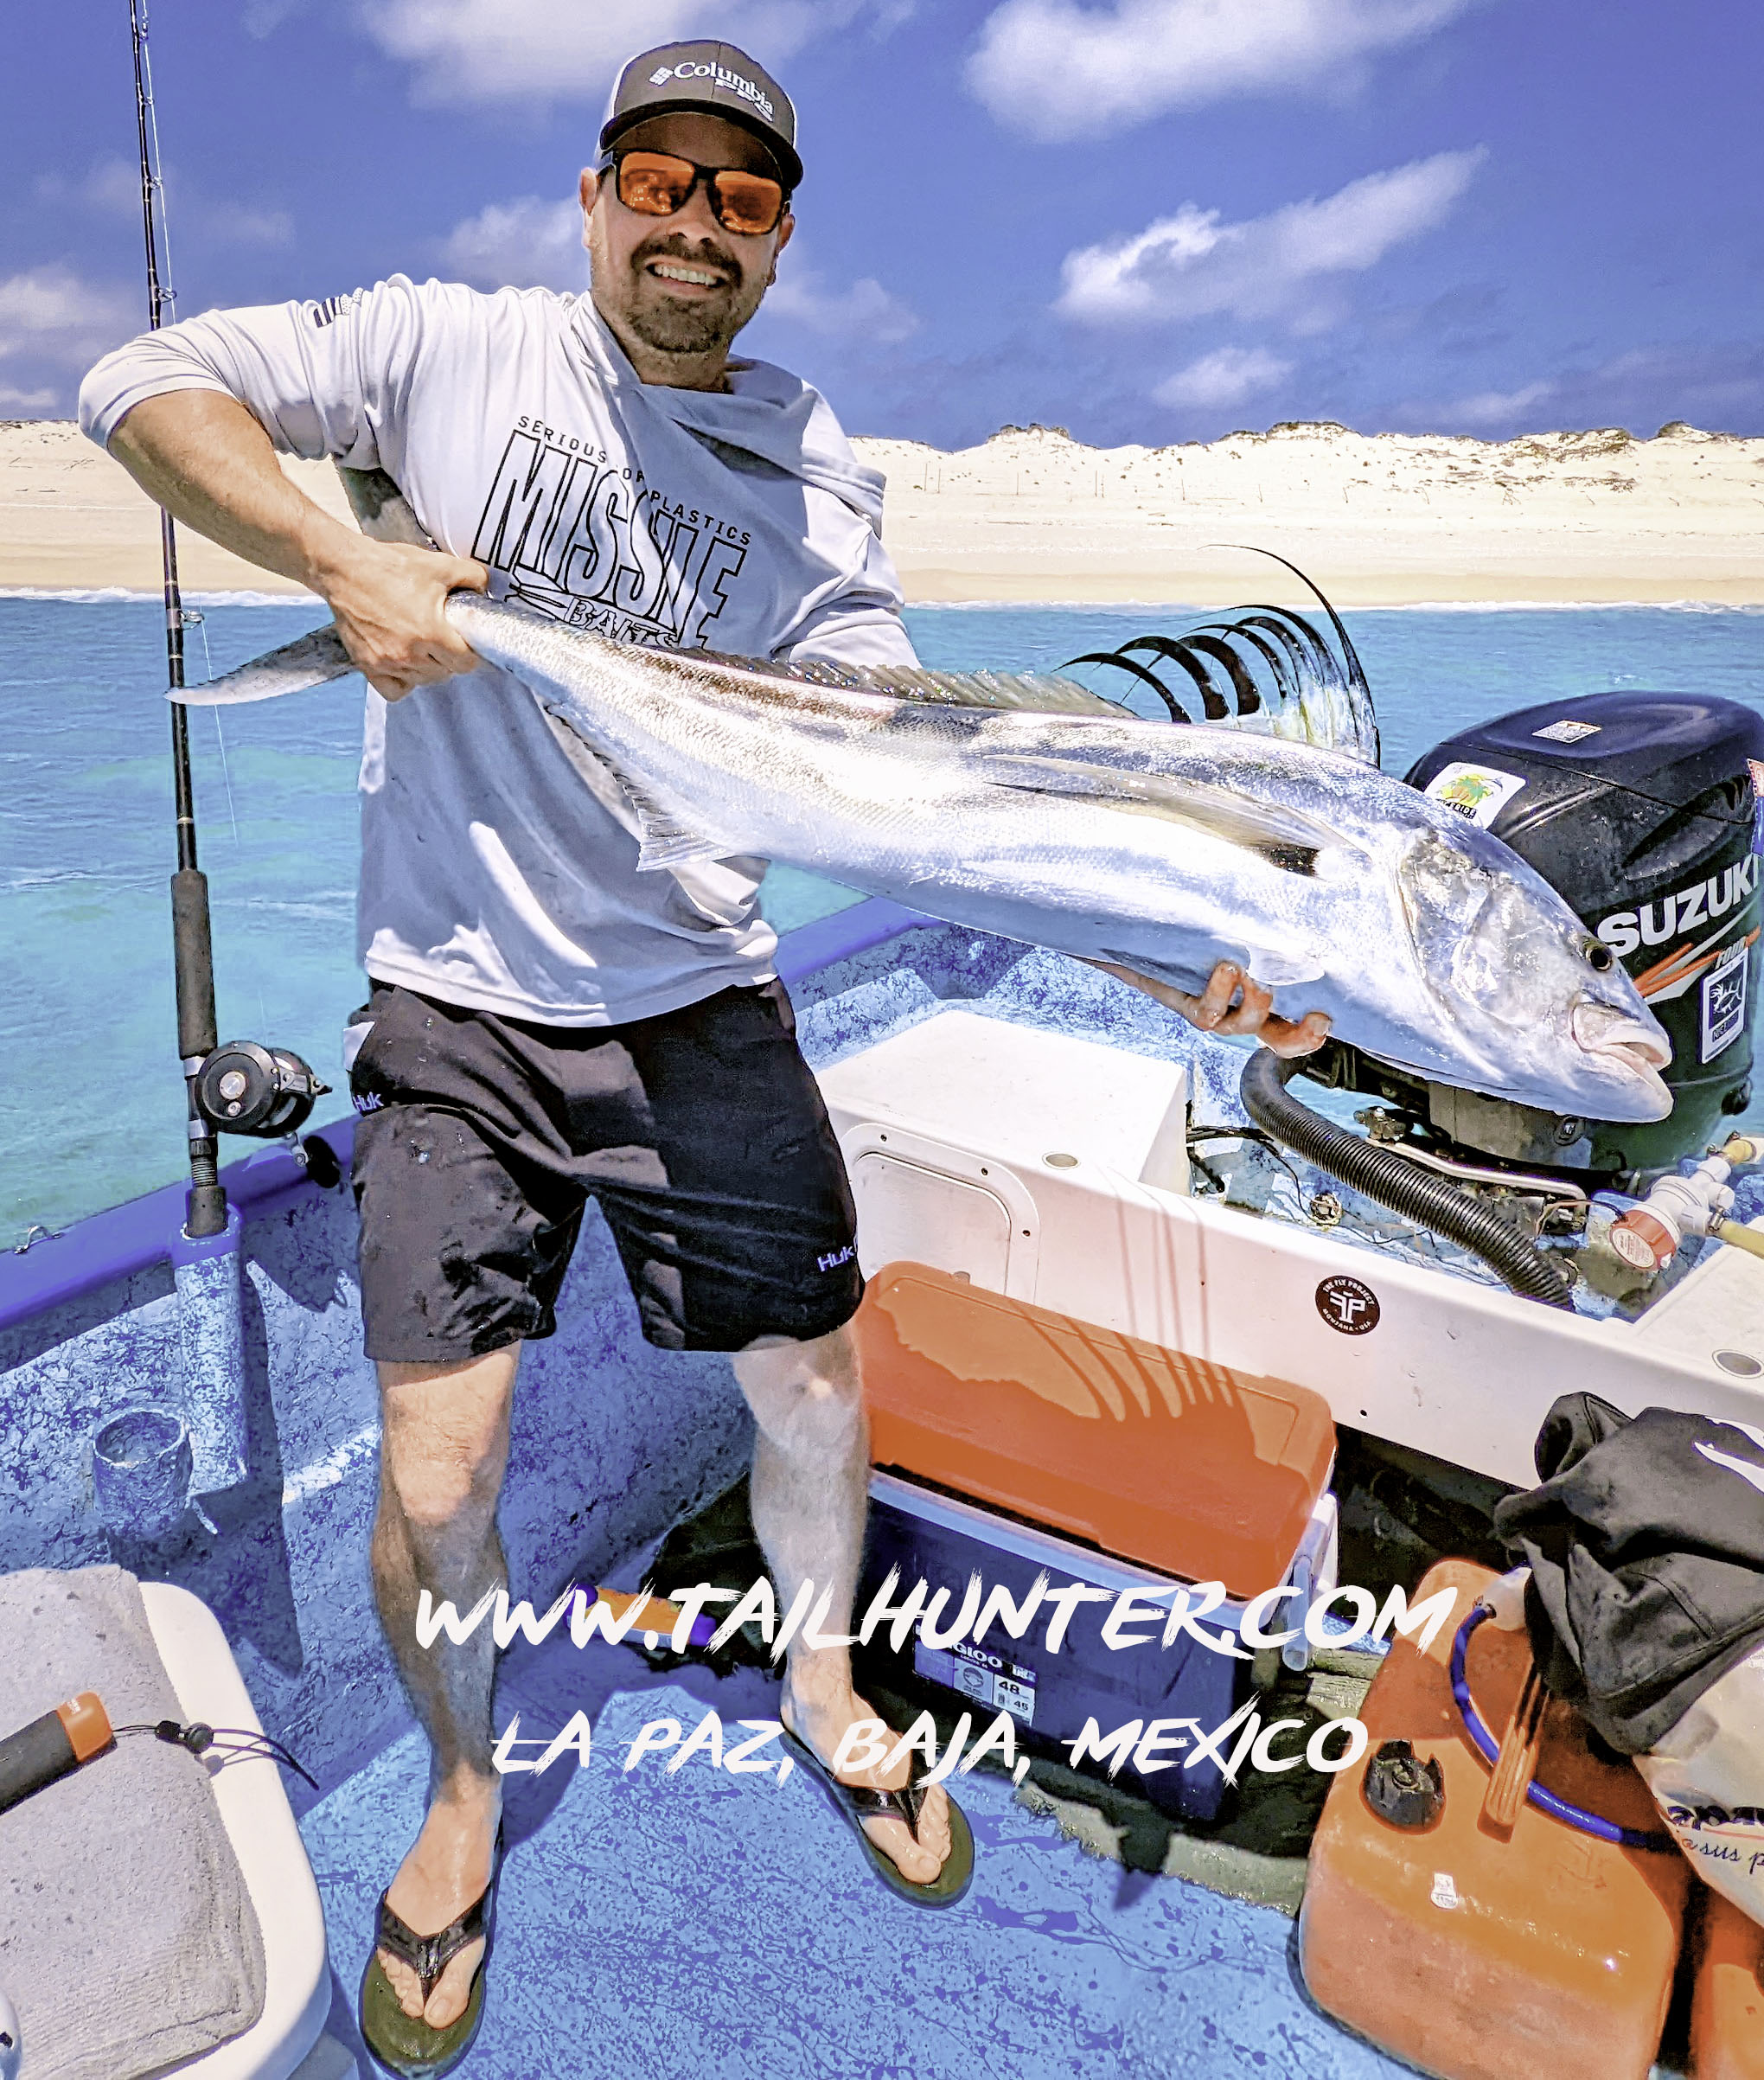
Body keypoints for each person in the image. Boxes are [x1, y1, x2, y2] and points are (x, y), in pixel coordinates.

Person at [80, 35, 1327, 2076]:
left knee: (815, 1390)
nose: (692, 223)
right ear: (593, 197)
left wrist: (1171, 951)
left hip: (701, 996)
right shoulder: (447, 347)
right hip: (456, 1004)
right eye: (657, 180)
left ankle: (827, 1693)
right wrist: (341, 556)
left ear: (779, 240)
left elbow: (904, 791)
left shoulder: (820, 472)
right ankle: (464, 1790)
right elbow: (141, 381)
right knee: (438, 1470)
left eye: (739, 197)